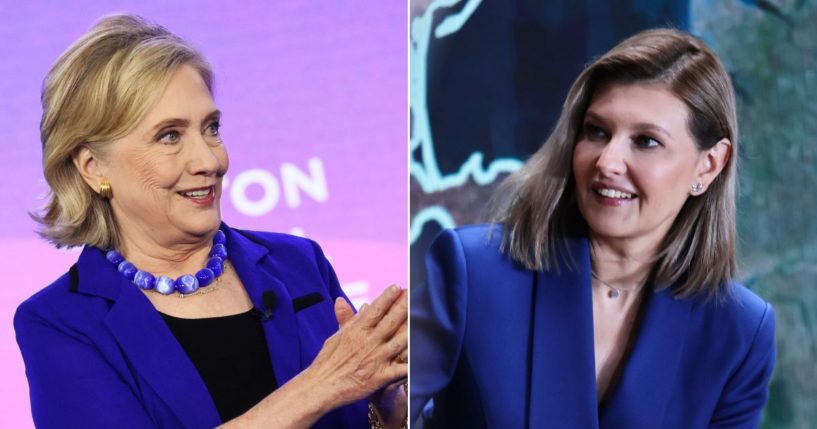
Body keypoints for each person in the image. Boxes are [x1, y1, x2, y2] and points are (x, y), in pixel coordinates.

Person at [15, 14, 407, 429]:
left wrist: (387, 404)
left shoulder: (299, 264)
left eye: (211, 128)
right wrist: (324, 384)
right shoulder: (60, 323)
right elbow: (332, 382)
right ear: (94, 168)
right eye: (170, 136)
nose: (209, 161)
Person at [410, 28, 775, 428]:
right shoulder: (473, 271)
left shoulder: (740, 332)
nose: (607, 162)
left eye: (646, 141)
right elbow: (379, 413)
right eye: (597, 132)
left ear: (709, 165)